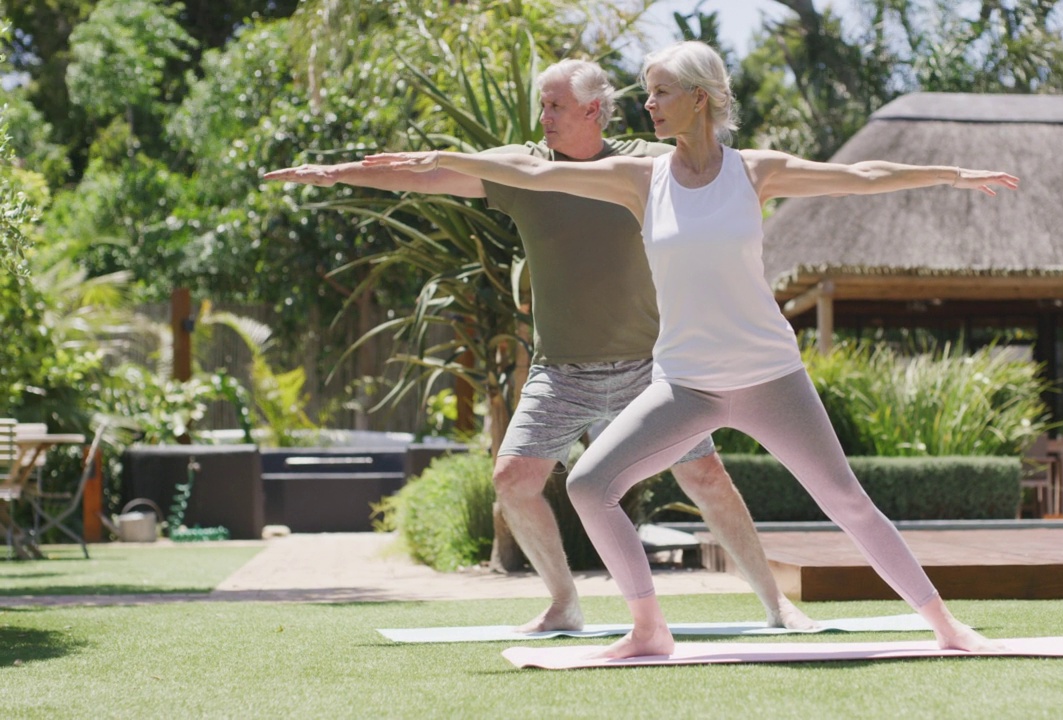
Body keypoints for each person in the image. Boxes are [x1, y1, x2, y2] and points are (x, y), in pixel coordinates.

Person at [362, 40, 1019, 659]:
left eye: (660, 92)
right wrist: (445, 162)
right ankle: (650, 629)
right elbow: (534, 172)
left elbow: (863, 174)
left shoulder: (753, 171)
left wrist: (948, 174)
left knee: (846, 501)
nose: (647, 104)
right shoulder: (639, 180)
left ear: (699, 97)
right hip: (686, 386)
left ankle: (946, 626)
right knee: (591, 486)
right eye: (647, 93)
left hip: (769, 377)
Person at [264, 58, 815, 633]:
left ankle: (777, 605)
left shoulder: (647, 165)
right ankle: (564, 604)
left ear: (593, 110)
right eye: (542, 104)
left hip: (649, 371)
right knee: (513, 482)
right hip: (562, 373)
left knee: (705, 478)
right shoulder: (522, 168)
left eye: (555, 106)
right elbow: (422, 174)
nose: (543, 116)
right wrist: (334, 173)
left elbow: (720, 164)